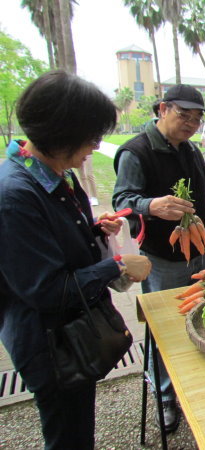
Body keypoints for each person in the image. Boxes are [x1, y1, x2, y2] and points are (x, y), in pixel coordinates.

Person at [0, 70, 152, 449]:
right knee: (68, 436)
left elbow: (56, 243)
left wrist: (91, 232)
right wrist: (115, 267)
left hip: (72, 332)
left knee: (79, 425)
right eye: (91, 136)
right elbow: (47, 289)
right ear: (62, 132)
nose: (95, 145)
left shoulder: (53, 174)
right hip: (52, 345)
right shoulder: (15, 196)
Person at [113, 84, 205, 432]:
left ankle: (190, 384)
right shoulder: (136, 152)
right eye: (184, 115)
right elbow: (121, 200)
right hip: (163, 259)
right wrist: (151, 206)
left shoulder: (190, 150)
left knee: (197, 319)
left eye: (197, 119)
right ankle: (164, 396)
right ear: (162, 108)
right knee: (163, 329)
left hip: (198, 254)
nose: (190, 124)